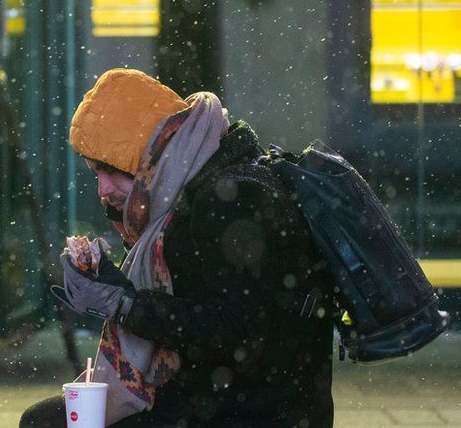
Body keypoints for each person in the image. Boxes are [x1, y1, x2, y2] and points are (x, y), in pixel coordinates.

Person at [21, 69, 335, 427]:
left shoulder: (233, 200)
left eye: (113, 172)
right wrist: (109, 284)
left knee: (45, 424)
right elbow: (191, 300)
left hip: (256, 410)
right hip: (221, 396)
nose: (102, 190)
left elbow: (236, 332)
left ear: (151, 155)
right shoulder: (195, 181)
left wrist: (123, 304)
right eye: (96, 174)